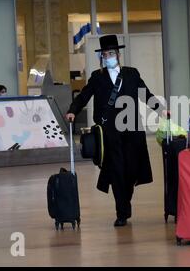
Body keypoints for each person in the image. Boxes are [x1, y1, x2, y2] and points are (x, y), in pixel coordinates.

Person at [66, 35, 164, 227]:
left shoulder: (131, 74)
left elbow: (145, 94)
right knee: (117, 171)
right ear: (101, 57)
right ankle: (122, 212)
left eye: (111, 53)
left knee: (131, 171)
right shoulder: (97, 77)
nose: (108, 57)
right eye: (104, 54)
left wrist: (160, 109)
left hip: (132, 129)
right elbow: (84, 96)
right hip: (109, 132)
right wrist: (72, 111)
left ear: (118, 54)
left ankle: (125, 204)